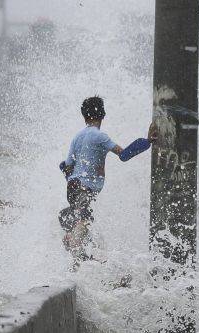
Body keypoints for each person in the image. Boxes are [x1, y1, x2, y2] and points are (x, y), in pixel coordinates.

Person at [58, 96, 157, 259]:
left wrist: (72, 179)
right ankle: (73, 244)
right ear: (103, 115)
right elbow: (124, 155)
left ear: (84, 116)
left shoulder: (77, 136)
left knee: (80, 221)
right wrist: (147, 142)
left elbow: (65, 165)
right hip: (85, 188)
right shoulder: (100, 137)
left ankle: (77, 252)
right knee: (84, 222)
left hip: (73, 186)